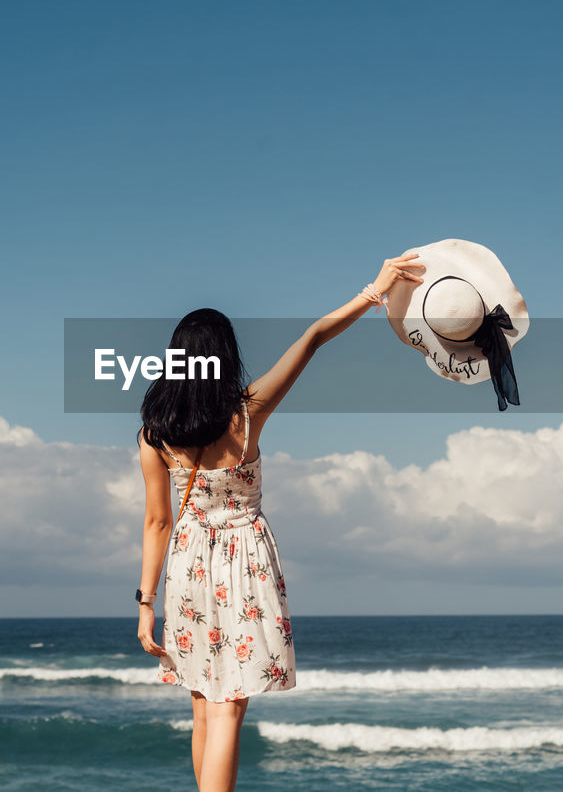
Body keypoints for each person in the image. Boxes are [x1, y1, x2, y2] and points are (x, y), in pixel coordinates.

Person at [134, 251, 424, 792]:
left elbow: (157, 522)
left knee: (203, 702)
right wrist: (375, 290)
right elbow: (313, 337)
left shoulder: (155, 434)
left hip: (188, 564)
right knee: (227, 710)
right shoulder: (247, 411)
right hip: (244, 560)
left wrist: (144, 604)